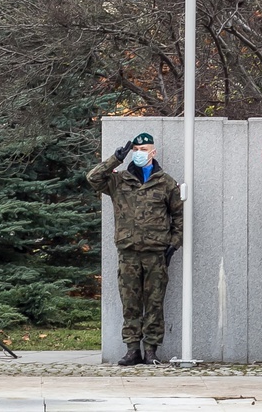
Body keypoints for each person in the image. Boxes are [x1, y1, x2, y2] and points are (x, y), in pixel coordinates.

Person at [87, 133, 183, 366]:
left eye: (144, 149)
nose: (140, 153)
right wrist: (114, 159)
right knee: (130, 302)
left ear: (153, 152)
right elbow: (92, 178)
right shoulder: (119, 180)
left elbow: (178, 216)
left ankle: (150, 350)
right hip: (128, 252)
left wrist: (173, 244)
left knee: (154, 303)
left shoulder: (166, 182)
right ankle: (132, 350)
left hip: (155, 253)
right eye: (136, 149)